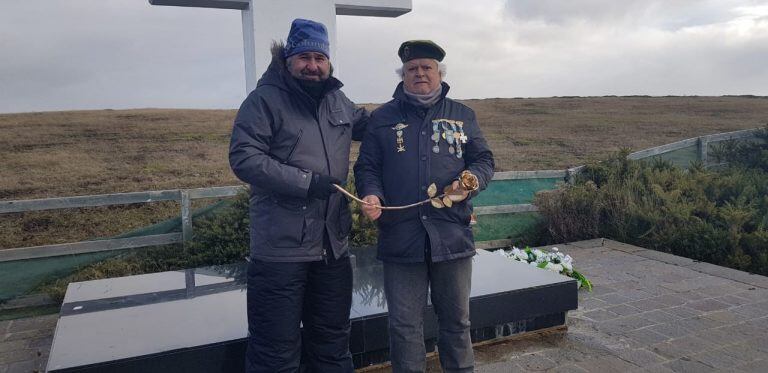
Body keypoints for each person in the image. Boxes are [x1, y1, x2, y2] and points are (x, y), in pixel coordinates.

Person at [229, 18, 368, 373]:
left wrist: (408, 109)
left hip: (332, 248)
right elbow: (245, 158)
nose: (313, 65)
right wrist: (306, 182)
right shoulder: (264, 100)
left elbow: (373, 126)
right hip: (280, 251)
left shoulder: (338, 100)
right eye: (304, 57)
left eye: (319, 58)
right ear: (288, 58)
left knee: (333, 344)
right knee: (274, 352)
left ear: (329, 62)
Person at [353, 40, 494, 373]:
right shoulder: (383, 118)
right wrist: (372, 195)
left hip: (452, 235)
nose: (419, 74)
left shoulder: (463, 115)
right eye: (412, 69)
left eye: (426, 67)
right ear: (403, 75)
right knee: (403, 327)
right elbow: (367, 167)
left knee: (457, 322)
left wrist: (471, 179)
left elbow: (483, 159)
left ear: (439, 73)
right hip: (401, 238)